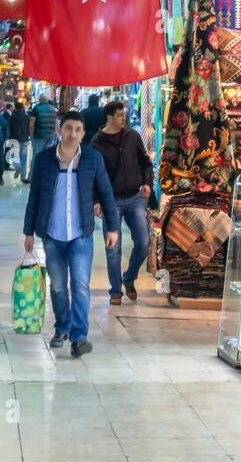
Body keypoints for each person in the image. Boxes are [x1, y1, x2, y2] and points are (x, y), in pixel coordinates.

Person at [23, 110, 118, 357]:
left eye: (77, 129)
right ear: (59, 129)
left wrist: (113, 228)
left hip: (81, 235)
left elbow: (106, 193)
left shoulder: (92, 159)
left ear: (83, 133)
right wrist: (29, 231)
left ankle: (79, 337)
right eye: (68, 128)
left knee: (80, 286)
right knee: (57, 287)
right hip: (52, 235)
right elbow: (34, 197)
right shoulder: (44, 159)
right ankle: (62, 328)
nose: (72, 133)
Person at [92, 101, 155, 304]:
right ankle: (115, 291)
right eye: (119, 115)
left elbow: (145, 162)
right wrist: (96, 200)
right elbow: (92, 176)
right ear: (109, 118)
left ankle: (129, 278)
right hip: (111, 201)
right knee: (113, 247)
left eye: (123, 115)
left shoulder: (132, 136)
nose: (123, 118)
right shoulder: (97, 143)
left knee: (143, 243)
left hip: (135, 198)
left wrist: (147, 183)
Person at [29, 92, 58, 161]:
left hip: (39, 136)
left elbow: (31, 124)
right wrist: (54, 134)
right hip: (50, 136)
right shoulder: (53, 109)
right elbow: (55, 124)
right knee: (47, 157)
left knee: (37, 156)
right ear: (47, 100)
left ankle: (34, 171)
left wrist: (31, 135)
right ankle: (45, 171)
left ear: (39, 100)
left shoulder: (36, 108)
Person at [8, 100, 31, 181]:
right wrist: (29, 135)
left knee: (14, 157)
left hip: (14, 139)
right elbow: (29, 127)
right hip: (24, 139)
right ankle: (23, 176)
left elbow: (9, 128)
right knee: (24, 158)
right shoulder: (26, 117)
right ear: (22, 108)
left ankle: (17, 167)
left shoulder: (12, 117)